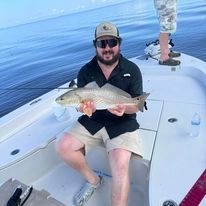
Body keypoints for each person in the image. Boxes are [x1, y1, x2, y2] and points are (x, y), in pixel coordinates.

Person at [56, 22, 143, 206]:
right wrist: (83, 108)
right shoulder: (85, 71)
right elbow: (82, 107)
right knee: (63, 146)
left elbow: (136, 106)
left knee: (120, 165)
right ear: (95, 45)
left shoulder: (132, 70)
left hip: (123, 122)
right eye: (102, 44)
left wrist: (124, 109)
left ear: (119, 43)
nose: (107, 48)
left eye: (111, 42)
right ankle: (94, 180)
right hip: (94, 120)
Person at [154, 0, 181, 66]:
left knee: (169, 28)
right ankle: (164, 57)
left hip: (167, 3)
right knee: (165, 29)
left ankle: (167, 52)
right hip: (164, 3)